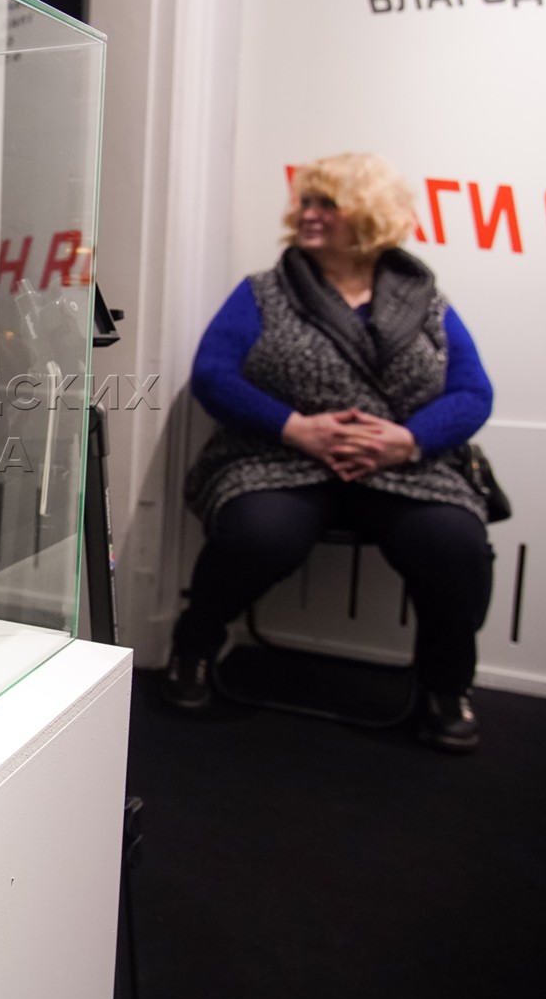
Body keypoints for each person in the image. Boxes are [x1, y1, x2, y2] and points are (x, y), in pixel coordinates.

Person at [162, 152, 494, 752]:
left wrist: (407, 440)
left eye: (327, 204)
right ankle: (195, 647)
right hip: (277, 457)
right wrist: (295, 427)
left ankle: (446, 687)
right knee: (257, 535)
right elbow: (213, 375)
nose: (308, 214)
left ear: (368, 214)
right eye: (306, 202)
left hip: (402, 466)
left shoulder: (426, 300)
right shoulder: (264, 292)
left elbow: (473, 392)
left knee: (455, 546)